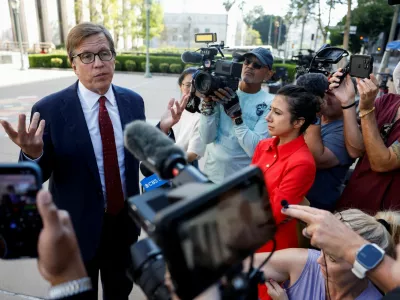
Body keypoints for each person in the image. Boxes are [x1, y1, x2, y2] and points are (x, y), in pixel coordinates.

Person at [0, 22, 185, 300]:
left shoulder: (133, 102)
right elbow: (34, 177)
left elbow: (145, 161)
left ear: (113, 57)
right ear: (73, 64)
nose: (98, 63)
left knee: (118, 294)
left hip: (123, 228)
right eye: (87, 56)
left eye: (104, 53)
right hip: (75, 232)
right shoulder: (49, 109)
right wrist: (33, 153)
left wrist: (162, 131)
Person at [251, 85, 319, 300]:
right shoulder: (264, 146)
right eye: (270, 110)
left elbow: (275, 213)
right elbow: (247, 189)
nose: (268, 117)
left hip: (274, 246)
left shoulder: (302, 162)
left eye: (277, 113)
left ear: (298, 122)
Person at [252, 208, 398, 300]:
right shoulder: (304, 262)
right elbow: (243, 266)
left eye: (332, 258)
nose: (319, 260)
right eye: (322, 249)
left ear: (363, 270)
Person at [199, 47, 275, 184]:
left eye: (257, 65)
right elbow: (206, 138)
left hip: (241, 183)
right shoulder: (223, 91)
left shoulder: (270, 103)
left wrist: (236, 116)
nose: (250, 67)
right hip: (211, 175)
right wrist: (207, 105)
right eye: (247, 62)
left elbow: (255, 149)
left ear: (268, 75)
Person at [329, 71, 400, 213]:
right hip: (354, 204)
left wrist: (366, 109)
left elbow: (382, 163)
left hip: (387, 219)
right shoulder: (387, 101)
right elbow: (357, 150)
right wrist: (347, 102)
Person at [296, 73, 354, 211]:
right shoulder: (314, 119)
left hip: (317, 207)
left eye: (333, 95)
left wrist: (314, 115)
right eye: (325, 93)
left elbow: (316, 159)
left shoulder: (347, 131)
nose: (326, 99)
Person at [172, 67, 206, 167]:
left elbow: (192, 154)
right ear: (180, 86)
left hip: (185, 165)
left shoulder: (202, 116)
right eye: (188, 85)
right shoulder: (174, 107)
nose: (192, 89)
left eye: (196, 85)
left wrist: (169, 161)